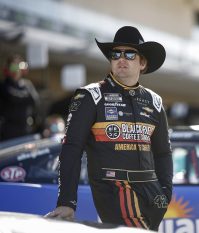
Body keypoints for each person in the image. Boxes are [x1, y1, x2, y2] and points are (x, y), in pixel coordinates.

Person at [46, 26, 173, 231]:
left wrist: (166, 192)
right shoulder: (91, 96)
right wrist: (67, 202)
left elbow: (163, 153)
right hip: (115, 191)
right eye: (116, 54)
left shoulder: (155, 101)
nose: (121, 58)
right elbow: (71, 148)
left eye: (130, 53)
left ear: (143, 63)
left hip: (154, 195)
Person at [0, 54, 40, 141]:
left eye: (20, 66)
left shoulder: (27, 84)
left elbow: (35, 100)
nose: (17, 70)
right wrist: (25, 96)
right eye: (14, 67)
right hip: (8, 131)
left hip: (25, 129)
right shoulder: (4, 85)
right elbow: (12, 97)